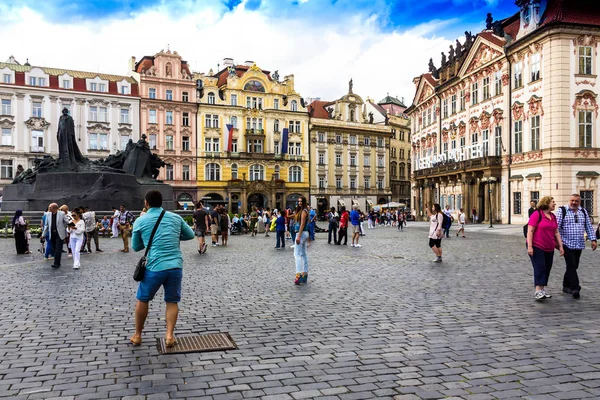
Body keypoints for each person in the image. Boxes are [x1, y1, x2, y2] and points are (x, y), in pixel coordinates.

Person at [130, 190, 195, 347]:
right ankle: (170, 336)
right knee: (172, 301)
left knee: (143, 299)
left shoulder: (141, 221)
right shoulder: (176, 218)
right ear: (162, 202)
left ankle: (138, 335)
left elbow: (136, 246)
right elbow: (190, 235)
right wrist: (173, 235)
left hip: (154, 266)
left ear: (146, 203)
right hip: (175, 266)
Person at [556, 194, 597, 299]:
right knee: (571, 265)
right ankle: (575, 287)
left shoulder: (583, 211)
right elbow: (556, 227)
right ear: (569, 200)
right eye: (572, 200)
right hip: (566, 243)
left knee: (574, 266)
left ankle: (566, 286)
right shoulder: (562, 211)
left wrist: (593, 239)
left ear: (580, 202)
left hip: (579, 243)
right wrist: (558, 243)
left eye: (577, 201)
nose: (574, 203)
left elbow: (588, 226)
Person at [526, 196, 564, 301]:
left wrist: (560, 246)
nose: (554, 204)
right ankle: (538, 290)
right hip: (536, 245)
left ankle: (542, 289)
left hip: (549, 246)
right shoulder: (537, 214)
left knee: (547, 267)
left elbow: (556, 232)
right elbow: (530, 231)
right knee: (540, 267)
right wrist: (530, 247)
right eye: (553, 202)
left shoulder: (553, 216)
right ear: (546, 203)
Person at [42, 203, 69, 269]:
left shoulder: (61, 213)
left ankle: (56, 263)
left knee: (58, 249)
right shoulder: (48, 214)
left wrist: (73, 225)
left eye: (50, 207)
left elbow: (67, 221)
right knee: (54, 248)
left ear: (54, 208)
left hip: (59, 233)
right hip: (52, 234)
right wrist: (43, 234)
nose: (49, 209)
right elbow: (46, 225)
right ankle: (57, 261)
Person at [293, 196, 310, 285]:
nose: (299, 203)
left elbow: (302, 224)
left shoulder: (303, 211)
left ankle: (298, 274)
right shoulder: (305, 210)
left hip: (301, 233)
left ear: (303, 202)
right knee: (303, 253)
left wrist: (298, 236)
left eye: (301, 201)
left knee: (297, 254)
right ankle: (305, 274)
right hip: (305, 233)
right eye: (298, 201)